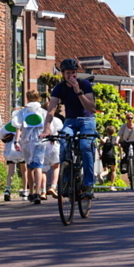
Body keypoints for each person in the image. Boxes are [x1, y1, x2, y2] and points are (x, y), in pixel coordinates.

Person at [41, 59, 98, 199]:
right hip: (70, 121)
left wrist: (78, 92)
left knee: (85, 146)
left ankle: (88, 185)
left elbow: (92, 108)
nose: (71, 75)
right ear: (63, 74)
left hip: (87, 120)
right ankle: (66, 181)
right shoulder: (60, 88)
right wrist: (47, 128)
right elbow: (52, 108)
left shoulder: (84, 84)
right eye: (68, 73)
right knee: (64, 142)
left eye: (73, 72)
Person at [17, 90, 49, 203]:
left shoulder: (22, 112)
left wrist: (17, 140)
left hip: (27, 141)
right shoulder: (43, 112)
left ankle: (31, 192)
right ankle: (38, 193)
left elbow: (17, 125)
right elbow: (50, 124)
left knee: (30, 167)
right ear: (38, 98)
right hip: (40, 140)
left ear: (27, 98)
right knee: (39, 166)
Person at [0, 108, 26, 202]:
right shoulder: (23, 123)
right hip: (21, 149)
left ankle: (7, 189)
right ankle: (25, 190)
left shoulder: (9, 124)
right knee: (24, 170)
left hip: (10, 150)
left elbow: (1, 134)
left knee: (11, 171)